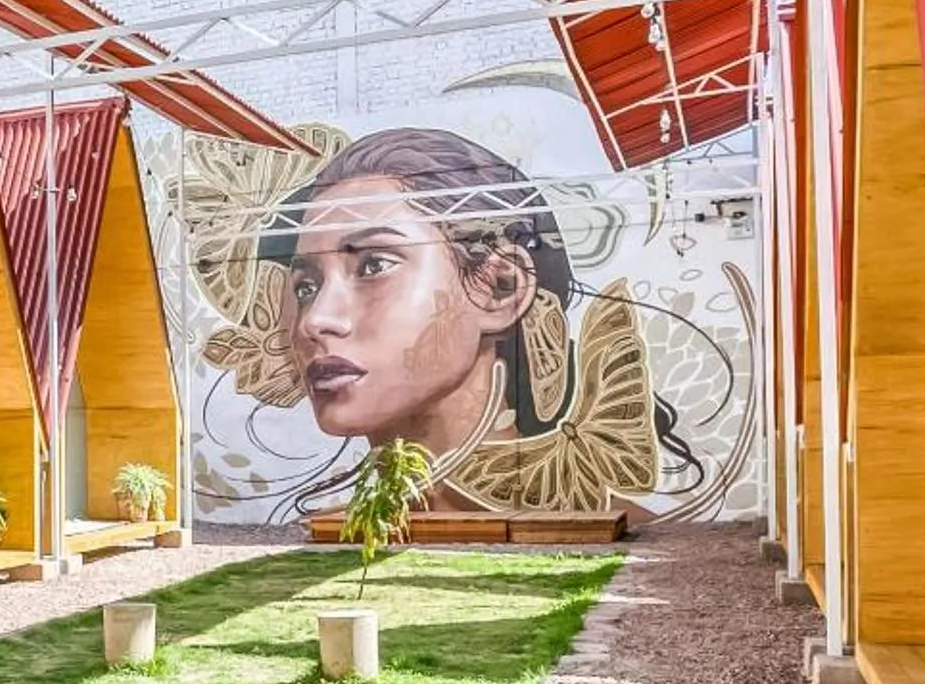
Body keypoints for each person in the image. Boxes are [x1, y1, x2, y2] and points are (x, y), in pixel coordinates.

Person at [261, 126, 694, 515]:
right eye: (306, 287)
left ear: (500, 288)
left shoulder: (621, 530)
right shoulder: (338, 525)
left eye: (373, 265)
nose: (315, 320)